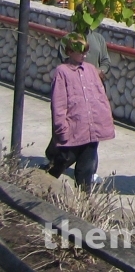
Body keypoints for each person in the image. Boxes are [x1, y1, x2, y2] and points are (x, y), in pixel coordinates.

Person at [48, 33, 115, 191]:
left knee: (86, 169)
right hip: (72, 129)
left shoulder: (91, 70)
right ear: (70, 52)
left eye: (86, 52)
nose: (84, 55)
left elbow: (100, 97)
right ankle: (42, 186)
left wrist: (104, 122)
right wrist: (61, 128)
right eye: (81, 52)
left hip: (91, 131)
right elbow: (59, 103)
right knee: (61, 161)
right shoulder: (62, 72)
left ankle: (83, 201)